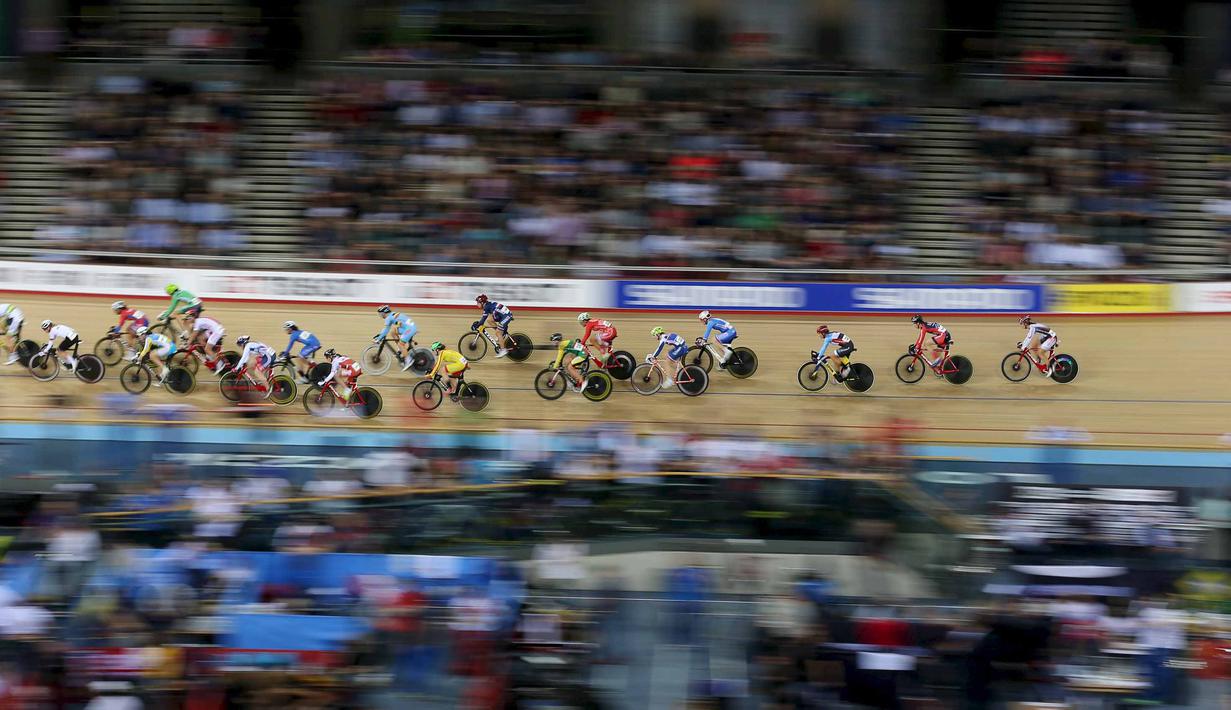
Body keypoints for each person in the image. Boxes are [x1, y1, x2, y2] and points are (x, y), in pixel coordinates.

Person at [374, 305, 419, 371]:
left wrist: (379, 338)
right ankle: (401, 350)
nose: (380, 315)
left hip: (409, 329)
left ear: (384, 313)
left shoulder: (388, 318)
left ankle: (409, 360)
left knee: (401, 344)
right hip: (409, 327)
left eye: (380, 314)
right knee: (393, 332)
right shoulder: (392, 314)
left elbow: (386, 329)